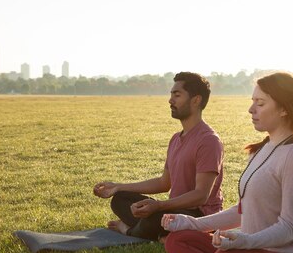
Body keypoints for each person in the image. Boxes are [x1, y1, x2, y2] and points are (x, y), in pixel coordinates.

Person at [161, 72, 293, 253]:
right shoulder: (261, 149)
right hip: (253, 252)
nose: (251, 109)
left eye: (260, 103)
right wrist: (191, 223)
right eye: (252, 101)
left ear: (284, 109)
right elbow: (242, 210)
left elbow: (288, 227)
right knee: (177, 239)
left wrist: (243, 241)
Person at [93, 72, 224, 241]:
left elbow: (201, 195)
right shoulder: (176, 139)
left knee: (155, 218)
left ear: (196, 100)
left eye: (177, 95)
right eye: (171, 95)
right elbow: (164, 183)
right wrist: (118, 186)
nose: (170, 100)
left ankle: (128, 230)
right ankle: (159, 233)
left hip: (199, 216)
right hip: (173, 211)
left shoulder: (209, 141)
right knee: (120, 199)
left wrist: (159, 206)